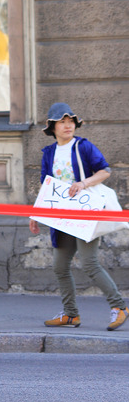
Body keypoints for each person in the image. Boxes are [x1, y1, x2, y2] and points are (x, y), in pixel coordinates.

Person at [30, 102, 128, 331]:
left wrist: (83, 183)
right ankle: (71, 315)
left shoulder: (83, 146)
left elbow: (105, 171)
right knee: (60, 266)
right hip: (61, 217)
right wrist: (35, 213)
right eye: (62, 122)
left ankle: (119, 307)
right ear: (52, 127)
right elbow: (46, 186)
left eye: (71, 121)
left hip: (85, 213)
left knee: (89, 263)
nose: (68, 126)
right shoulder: (49, 153)